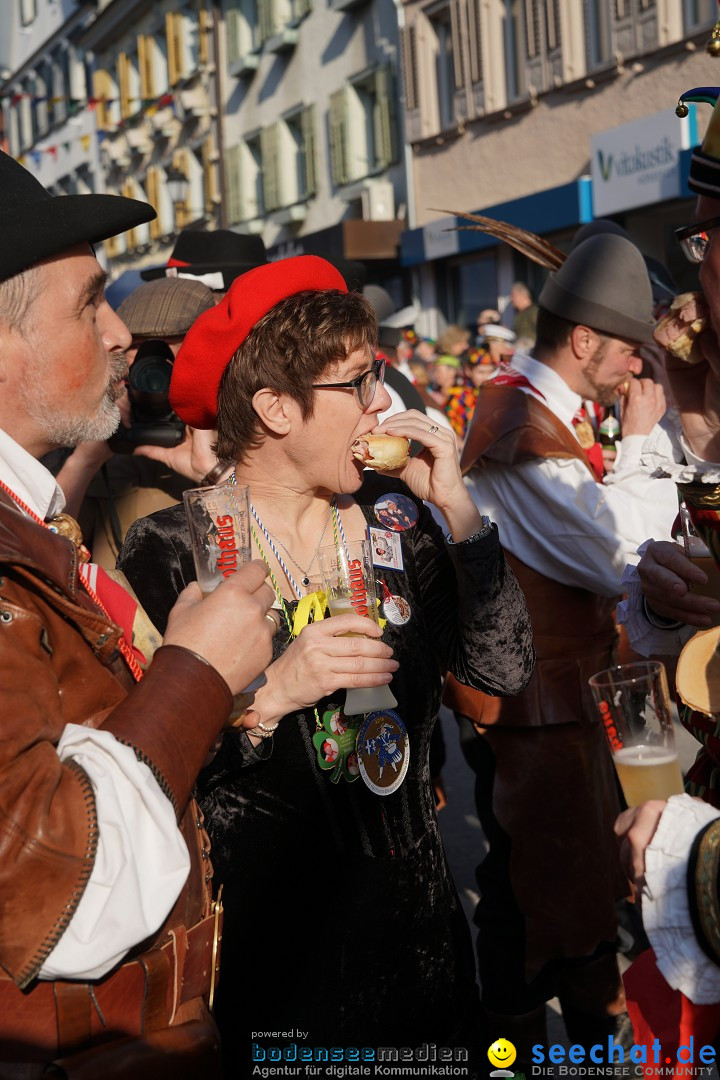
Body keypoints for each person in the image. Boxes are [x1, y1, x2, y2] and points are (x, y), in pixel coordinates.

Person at [116, 254, 536, 1076]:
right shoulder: (172, 554)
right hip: (276, 968)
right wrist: (268, 696)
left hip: (424, 958)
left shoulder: (399, 520)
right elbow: (139, 775)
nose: (383, 401)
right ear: (274, 407)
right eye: (358, 381)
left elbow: (502, 672)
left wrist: (459, 514)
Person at [0, 151, 278, 1075]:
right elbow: (47, 890)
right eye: (88, 303)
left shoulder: (29, 522)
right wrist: (196, 676)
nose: (123, 334)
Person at [444, 232, 679, 1064]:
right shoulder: (519, 425)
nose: (633, 373)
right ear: (584, 342)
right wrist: (646, 443)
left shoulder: (530, 411)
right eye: (626, 353)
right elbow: (620, 553)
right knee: (552, 907)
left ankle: (539, 1041)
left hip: (557, 699)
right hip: (535, 709)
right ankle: (537, 1049)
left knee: (545, 895)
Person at [54, 275, 220, 568]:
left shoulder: (243, 437)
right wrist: (84, 462)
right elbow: (51, 550)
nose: (153, 369)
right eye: (140, 349)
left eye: (168, 349)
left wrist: (214, 474)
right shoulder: (106, 443)